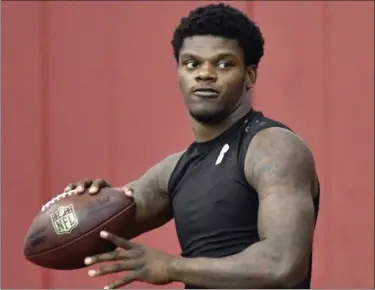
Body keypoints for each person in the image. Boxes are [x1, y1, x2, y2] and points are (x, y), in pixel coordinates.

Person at [64, 3, 320, 289]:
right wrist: (91, 204)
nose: (205, 73)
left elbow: (283, 264)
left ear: (250, 75)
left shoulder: (273, 149)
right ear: (179, 73)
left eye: (224, 63)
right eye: (192, 64)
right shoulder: (174, 170)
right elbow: (91, 238)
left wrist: (173, 267)